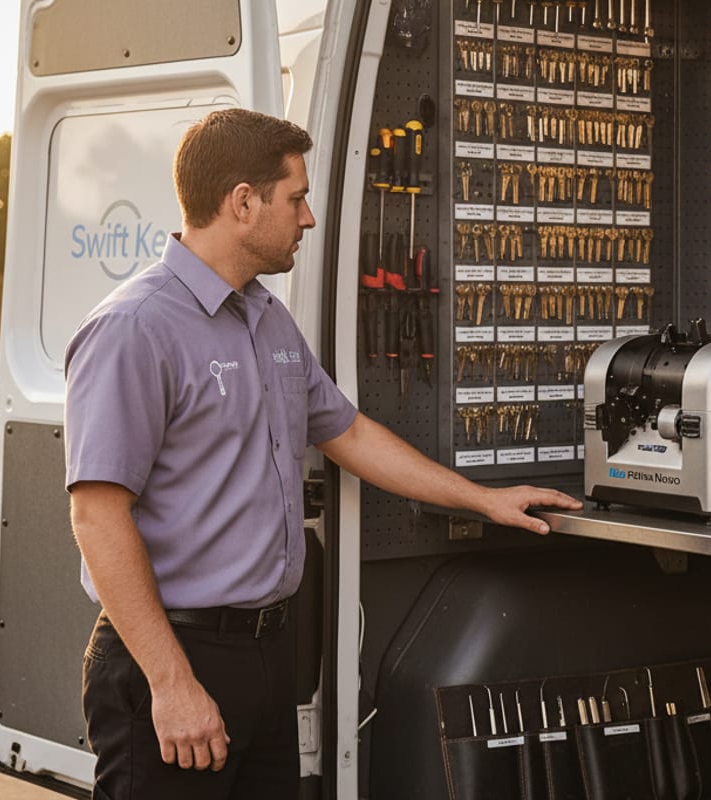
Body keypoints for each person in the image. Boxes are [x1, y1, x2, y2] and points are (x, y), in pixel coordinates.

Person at [64, 107, 582, 799]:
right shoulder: (135, 329)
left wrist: (484, 499)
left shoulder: (267, 318)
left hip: (269, 655)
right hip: (178, 655)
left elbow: (350, 434)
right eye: (297, 198)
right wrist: (172, 683)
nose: (307, 219)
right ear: (243, 204)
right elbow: (98, 518)